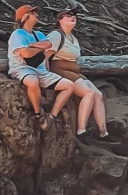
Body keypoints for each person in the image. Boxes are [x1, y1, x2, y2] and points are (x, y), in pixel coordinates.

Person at [7, 5, 77, 132]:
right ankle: (38, 114)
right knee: (33, 82)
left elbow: (48, 44)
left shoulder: (38, 34)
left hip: (41, 70)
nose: (37, 15)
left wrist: (32, 45)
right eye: (33, 13)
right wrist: (38, 48)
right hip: (22, 68)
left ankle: (52, 116)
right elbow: (25, 54)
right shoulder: (17, 34)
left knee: (69, 86)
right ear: (25, 16)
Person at [47, 10, 110, 142]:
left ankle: (103, 132)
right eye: (68, 16)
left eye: (74, 16)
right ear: (60, 20)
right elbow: (45, 56)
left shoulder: (74, 38)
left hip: (74, 71)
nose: (72, 18)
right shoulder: (56, 35)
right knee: (89, 93)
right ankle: (82, 130)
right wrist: (46, 75)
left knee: (98, 94)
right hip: (59, 69)